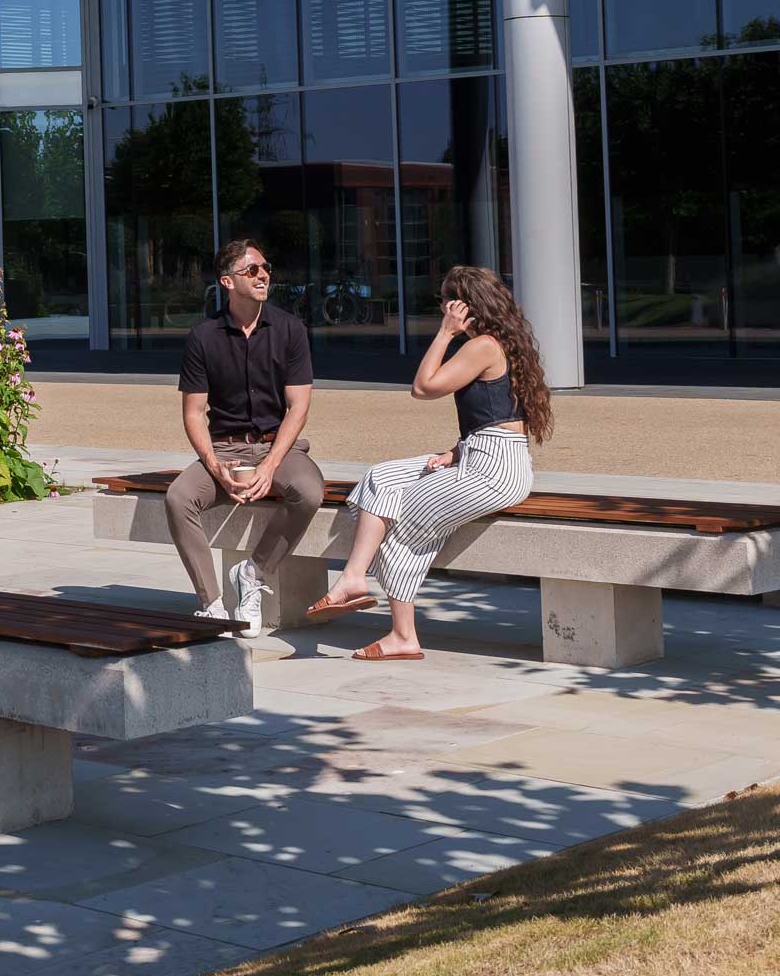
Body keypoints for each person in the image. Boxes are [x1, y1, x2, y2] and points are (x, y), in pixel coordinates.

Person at [309, 264, 552, 661]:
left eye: (445, 300)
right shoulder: (497, 343)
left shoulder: (483, 345)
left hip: (493, 470)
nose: (441, 306)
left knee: (397, 519)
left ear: (462, 305)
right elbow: (499, 414)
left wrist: (444, 333)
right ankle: (353, 578)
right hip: (480, 455)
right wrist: (458, 450)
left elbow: (423, 388)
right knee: (381, 478)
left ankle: (403, 636)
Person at [166, 237, 322, 653]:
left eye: (265, 267)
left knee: (308, 492)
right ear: (227, 281)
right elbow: (194, 413)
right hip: (226, 449)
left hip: (281, 448)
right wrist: (214, 465)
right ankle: (213, 606)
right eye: (251, 269)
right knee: (179, 497)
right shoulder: (203, 337)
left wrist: (271, 466)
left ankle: (253, 574)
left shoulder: (290, 329)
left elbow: (298, 406)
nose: (263, 274)